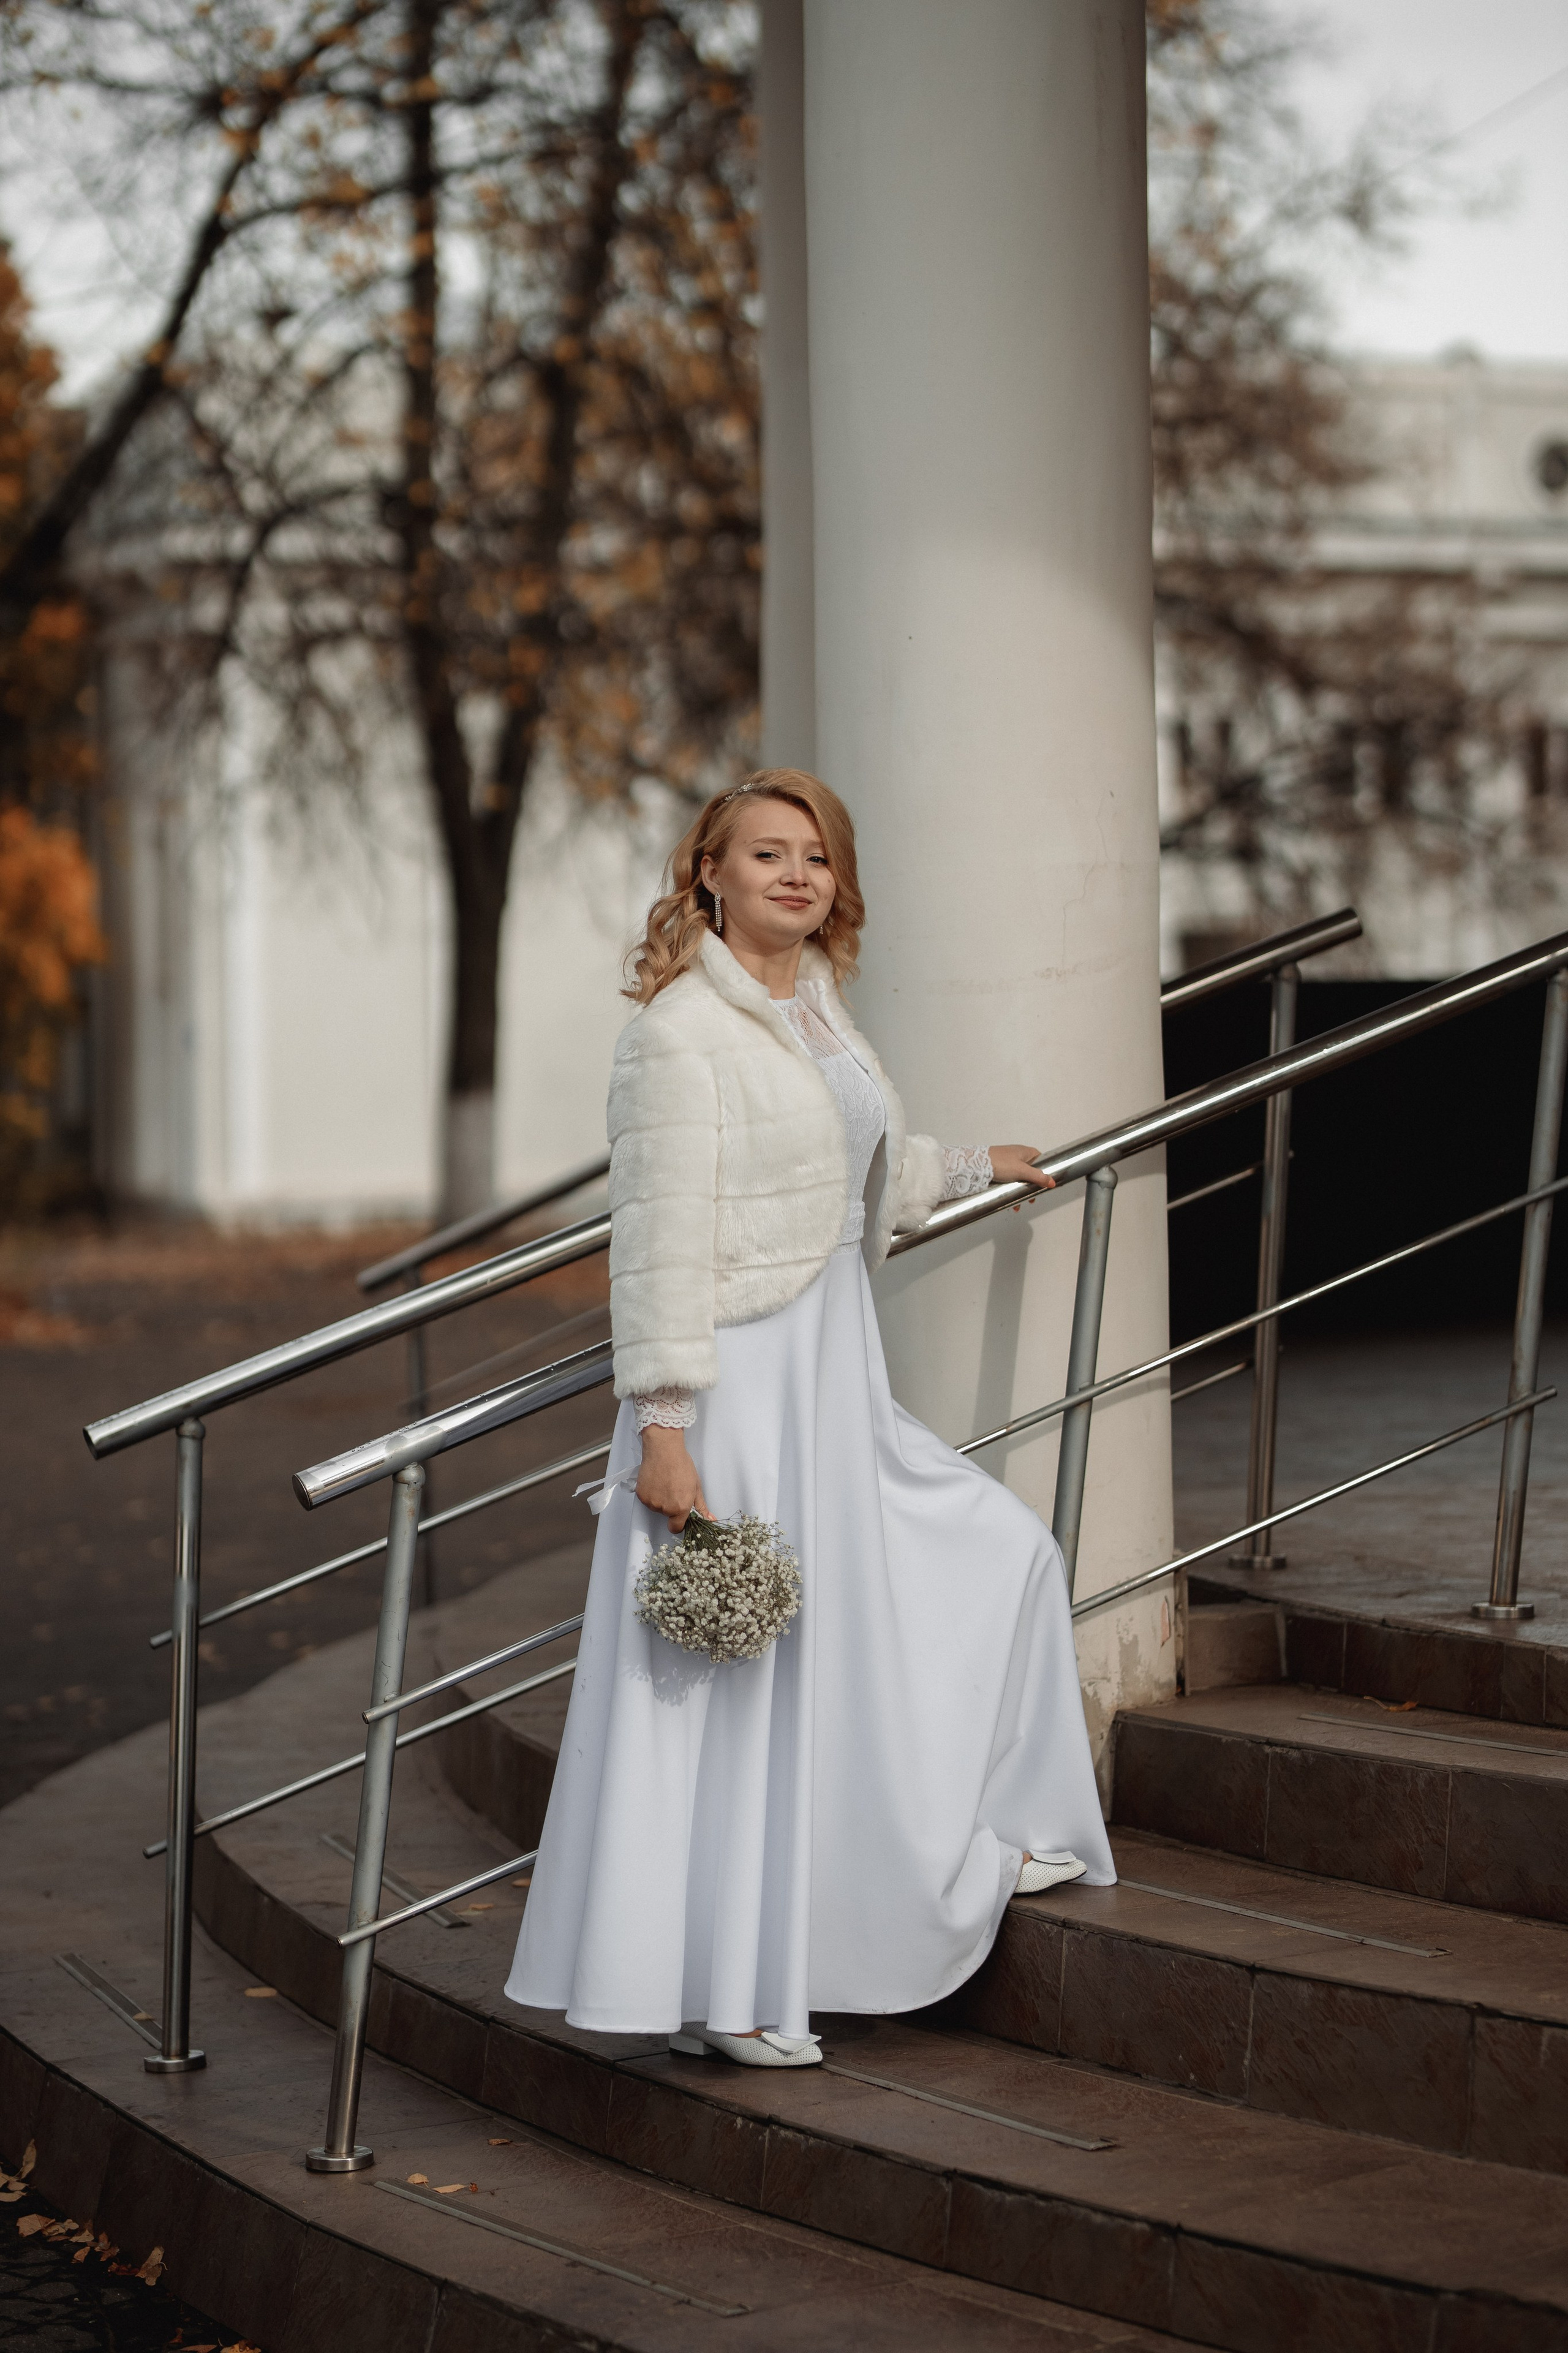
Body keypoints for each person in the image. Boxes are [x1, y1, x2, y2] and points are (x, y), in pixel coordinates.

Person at [505, 768, 1114, 2068]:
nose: (795, 872)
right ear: (708, 875)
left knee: (997, 1551)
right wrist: (663, 1432)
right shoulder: (674, 1034)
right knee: (736, 1683)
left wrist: (967, 1165)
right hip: (733, 1383)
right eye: (765, 853)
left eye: (815, 856)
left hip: (834, 1366)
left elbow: (850, 1162)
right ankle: (727, 1996)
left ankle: (958, 1846)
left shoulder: (819, 1011)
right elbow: (657, 1247)